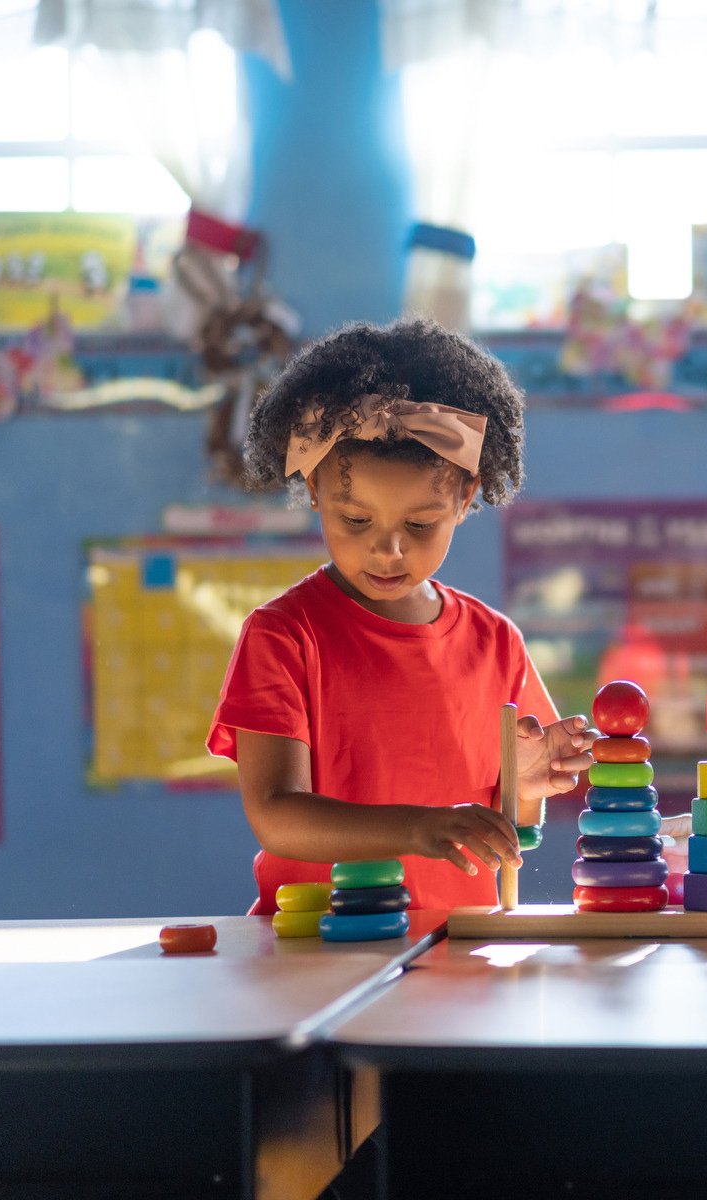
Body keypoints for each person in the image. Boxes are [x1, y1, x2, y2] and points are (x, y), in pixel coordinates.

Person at [206, 319, 594, 914]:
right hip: (315, 959)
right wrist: (420, 827)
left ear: (466, 499)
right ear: (313, 489)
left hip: (456, 961)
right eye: (355, 521)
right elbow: (278, 816)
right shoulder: (285, 636)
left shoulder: (495, 643)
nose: (387, 551)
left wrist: (526, 790)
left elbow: (501, 830)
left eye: (418, 525)